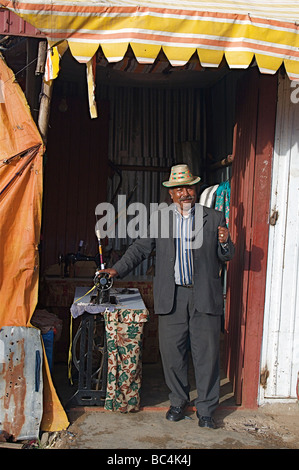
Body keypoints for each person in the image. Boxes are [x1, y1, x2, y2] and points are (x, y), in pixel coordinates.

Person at [101, 164, 235, 429]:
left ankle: (207, 410)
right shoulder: (160, 219)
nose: (185, 193)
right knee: (172, 354)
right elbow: (140, 248)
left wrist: (224, 242)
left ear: (194, 190)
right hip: (172, 296)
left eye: (188, 187)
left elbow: (226, 255)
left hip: (204, 296)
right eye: (178, 189)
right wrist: (116, 269)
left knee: (206, 355)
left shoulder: (214, 217)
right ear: (171, 194)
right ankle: (178, 401)